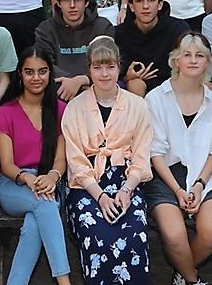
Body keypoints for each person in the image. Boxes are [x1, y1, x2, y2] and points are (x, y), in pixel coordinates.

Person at [62, 36, 153, 285]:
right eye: (98, 67)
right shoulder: (74, 108)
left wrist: (127, 189)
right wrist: (100, 196)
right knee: (96, 235)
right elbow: (76, 160)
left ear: (119, 67)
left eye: (110, 67)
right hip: (87, 186)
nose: (104, 74)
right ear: (89, 69)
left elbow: (142, 155)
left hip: (126, 181)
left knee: (135, 236)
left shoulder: (138, 106)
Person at [145, 32, 212, 285]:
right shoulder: (155, 98)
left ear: (207, 62)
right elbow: (155, 152)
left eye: (199, 55)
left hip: (204, 174)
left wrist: (199, 186)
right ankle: (192, 280)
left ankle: (181, 273)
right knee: (174, 235)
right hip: (165, 175)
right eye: (186, 54)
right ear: (176, 60)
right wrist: (178, 190)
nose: (193, 60)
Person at [0, 46, 71, 285]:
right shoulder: (6, 112)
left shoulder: (60, 110)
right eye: (29, 72)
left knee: (34, 224)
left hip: (49, 181)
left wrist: (53, 177)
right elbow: (6, 164)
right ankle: (65, 282)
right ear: (20, 74)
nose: (36, 77)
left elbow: (61, 159)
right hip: (14, 183)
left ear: (50, 73)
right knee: (45, 204)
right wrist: (27, 178)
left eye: (42, 71)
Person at [35, 0, 114, 101]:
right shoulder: (45, 30)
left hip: (95, 83)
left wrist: (82, 80)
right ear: (58, 3)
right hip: (61, 86)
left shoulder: (103, 27)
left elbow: (110, 63)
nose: (72, 5)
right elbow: (44, 64)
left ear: (86, 2)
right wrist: (72, 82)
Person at [116, 0, 190, 97]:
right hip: (136, 89)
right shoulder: (119, 34)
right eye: (139, 0)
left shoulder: (178, 29)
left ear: (160, 4)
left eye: (151, 0)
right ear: (131, 6)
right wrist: (127, 77)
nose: (145, 6)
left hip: (174, 84)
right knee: (135, 84)